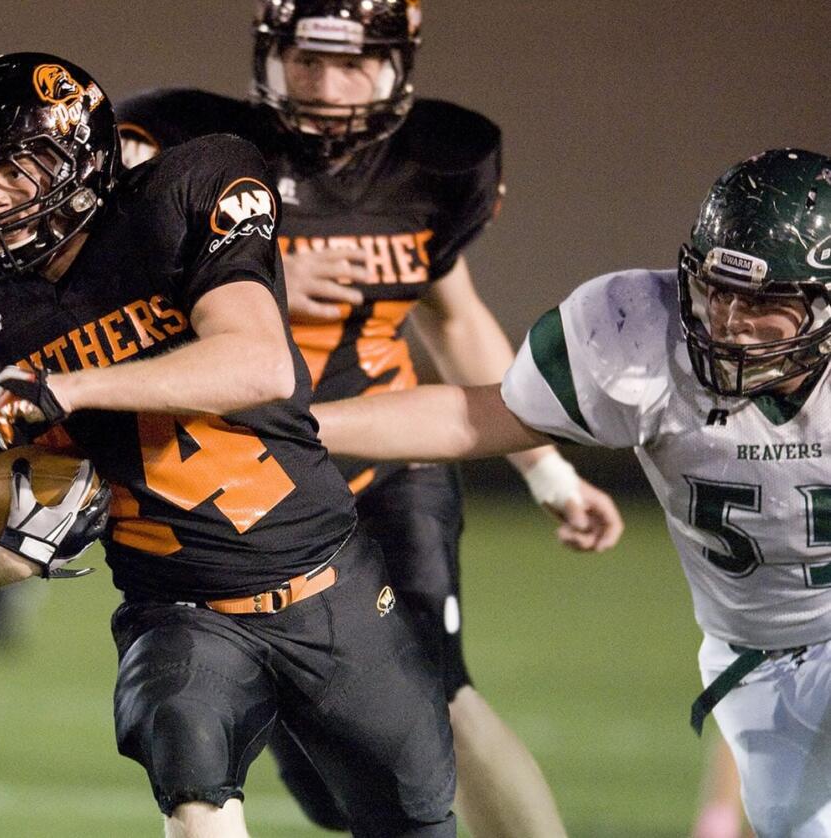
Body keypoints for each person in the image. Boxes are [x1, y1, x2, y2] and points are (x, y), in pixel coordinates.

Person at [0, 50, 594, 838]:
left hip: (329, 568)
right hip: (179, 608)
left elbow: (258, 363)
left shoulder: (185, 194)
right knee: (193, 783)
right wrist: (13, 558)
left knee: (409, 803)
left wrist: (75, 386)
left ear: (83, 158)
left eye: (15, 172)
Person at [116, 2, 622, 834]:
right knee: (329, 777)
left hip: (388, 459)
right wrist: (252, 277)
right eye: (307, 61)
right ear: (269, 57)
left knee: (439, 689)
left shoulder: (435, 163)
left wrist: (548, 470)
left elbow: (451, 315)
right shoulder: (200, 152)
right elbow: (115, 291)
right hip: (247, 480)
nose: (326, 86)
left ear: (398, 63)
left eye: (352, 63)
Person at [309, 148, 831, 838]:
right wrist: (302, 425)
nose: (731, 320)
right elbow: (473, 417)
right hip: (759, 659)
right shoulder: (640, 336)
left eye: (766, 302)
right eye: (718, 288)